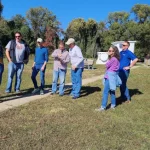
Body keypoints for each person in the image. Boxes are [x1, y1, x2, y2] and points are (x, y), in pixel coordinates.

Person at [95, 45, 121, 111]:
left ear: (114, 52)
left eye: (110, 51)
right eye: (108, 50)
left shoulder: (113, 59)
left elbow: (106, 65)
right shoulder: (116, 59)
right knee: (112, 91)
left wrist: (108, 57)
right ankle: (113, 105)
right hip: (112, 76)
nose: (108, 52)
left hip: (109, 77)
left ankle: (103, 107)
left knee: (105, 92)